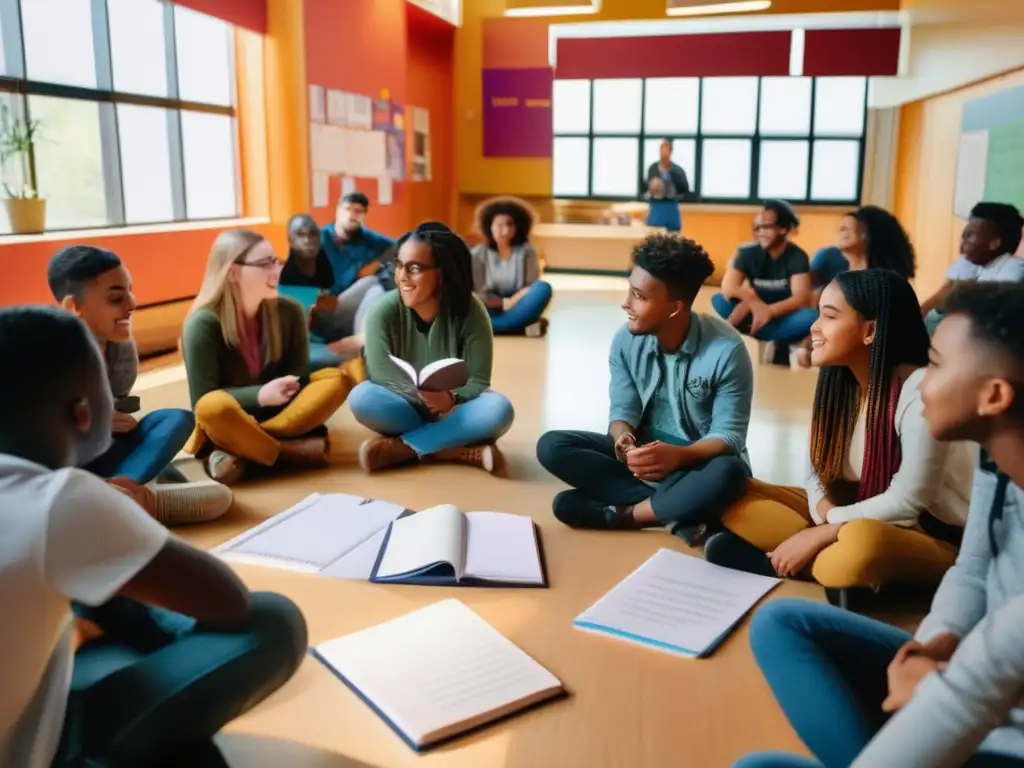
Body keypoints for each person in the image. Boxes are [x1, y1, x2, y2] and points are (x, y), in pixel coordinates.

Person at [0, 305, 307, 768]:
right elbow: (229, 602)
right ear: (84, 414)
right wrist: (123, 520)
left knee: (101, 602)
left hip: (53, 677)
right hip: (40, 753)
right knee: (274, 620)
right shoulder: (60, 501)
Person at [733, 281, 1024, 768]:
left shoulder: (907, 393)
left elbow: (980, 685)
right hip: (968, 666)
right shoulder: (1000, 469)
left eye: (936, 365)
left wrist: (930, 673)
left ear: (994, 395)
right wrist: (930, 648)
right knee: (782, 621)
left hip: (1002, 723)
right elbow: (973, 569)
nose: (923, 379)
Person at [707, 269, 972, 594]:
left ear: (870, 331)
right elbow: (815, 476)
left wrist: (827, 529)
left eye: (829, 316)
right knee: (736, 492)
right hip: (850, 512)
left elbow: (907, 502)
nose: (813, 328)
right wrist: (828, 516)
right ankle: (813, 561)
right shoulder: (839, 385)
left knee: (861, 544)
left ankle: (797, 558)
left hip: (931, 534)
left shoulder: (919, 391)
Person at [536, 234, 753, 543]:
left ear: (675, 308)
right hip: (643, 465)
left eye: (638, 295)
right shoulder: (625, 340)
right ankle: (682, 514)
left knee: (730, 474)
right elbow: (623, 410)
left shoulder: (726, 349)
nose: (626, 303)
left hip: (697, 465)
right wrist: (623, 442)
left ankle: (629, 515)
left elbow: (730, 435)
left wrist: (679, 456)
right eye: (630, 289)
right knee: (552, 446)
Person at [47, 245, 232, 525]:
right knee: (212, 498)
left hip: (105, 456)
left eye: (130, 292)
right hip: (64, 464)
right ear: (74, 307)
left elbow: (117, 405)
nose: (132, 304)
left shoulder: (121, 349)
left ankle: (118, 492)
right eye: (116, 298)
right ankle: (130, 500)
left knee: (175, 419)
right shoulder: (42, 350)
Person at [181, 229, 352, 484]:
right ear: (233, 272)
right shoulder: (202, 324)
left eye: (276, 261)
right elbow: (203, 402)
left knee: (336, 379)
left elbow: (300, 375)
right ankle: (287, 451)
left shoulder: (290, 310)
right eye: (264, 263)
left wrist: (290, 386)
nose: (276, 270)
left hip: (279, 414)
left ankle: (244, 450)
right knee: (211, 407)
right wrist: (260, 395)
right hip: (233, 418)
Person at [348, 222, 515, 473]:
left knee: (498, 409)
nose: (402, 276)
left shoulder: (471, 310)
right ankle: (454, 448)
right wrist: (422, 399)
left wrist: (451, 398)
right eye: (398, 265)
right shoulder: (381, 311)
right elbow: (380, 373)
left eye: (414, 268)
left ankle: (405, 448)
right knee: (362, 397)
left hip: (455, 409)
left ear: (442, 273)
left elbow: (479, 380)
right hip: (404, 407)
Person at [796, 206, 917, 367]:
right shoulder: (838, 276)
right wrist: (808, 344)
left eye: (847, 228)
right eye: (840, 228)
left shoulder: (885, 285)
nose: (841, 232)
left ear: (868, 235)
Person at [712, 200, 814, 365]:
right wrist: (752, 301)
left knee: (811, 317)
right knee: (721, 301)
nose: (760, 233)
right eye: (757, 228)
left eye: (766, 227)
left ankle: (770, 337)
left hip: (783, 315)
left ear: (783, 229)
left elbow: (801, 297)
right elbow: (729, 287)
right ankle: (776, 338)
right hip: (753, 312)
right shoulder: (747, 253)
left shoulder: (797, 256)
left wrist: (769, 311)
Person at [281, 213, 384, 372]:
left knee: (373, 284)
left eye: (313, 234)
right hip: (316, 330)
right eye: (301, 235)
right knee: (375, 288)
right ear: (290, 239)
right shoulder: (284, 279)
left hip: (327, 317)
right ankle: (364, 344)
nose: (308, 241)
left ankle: (363, 340)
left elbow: (331, 300)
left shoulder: (322, 263)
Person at [920, 202, 1024, 335]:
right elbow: (942, 295)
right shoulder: (971, 264)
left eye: (970, 236)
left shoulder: (1015, 268)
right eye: (963, 235)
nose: (963, 242)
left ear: (994, 243)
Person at [470, 196, 552, 337]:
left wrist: (511, 302)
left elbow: (530, 287)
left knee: (543, 288)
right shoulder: (477, 254)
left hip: (518, 306)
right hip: (489, 307)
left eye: (510, 225)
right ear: (489, 227)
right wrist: (502, 303)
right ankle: (520, 328)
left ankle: (495, 328)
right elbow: (478, 293)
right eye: (500, 226)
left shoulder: (527, 252)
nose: (505, 231)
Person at [320, 191, 396, 294]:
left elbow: (400, 246)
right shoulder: (319, 238)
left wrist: (377, 263)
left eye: (358, 211)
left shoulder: (371, 240)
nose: (352, 215)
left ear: (365, 215)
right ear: (338, 210)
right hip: (322, 299)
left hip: (356, 299)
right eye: (347, 209)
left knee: (375, 286)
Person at [643, 139, 689, 233]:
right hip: (657, 206)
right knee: (654, 234)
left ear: (670, 152)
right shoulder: (653, 168)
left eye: (666, 149)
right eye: (661, 149)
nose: (663, 152)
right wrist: (652, 187)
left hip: (671, 205)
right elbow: (647, 186)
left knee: (673, 235)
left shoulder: (677, 170)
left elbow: (684, 188)